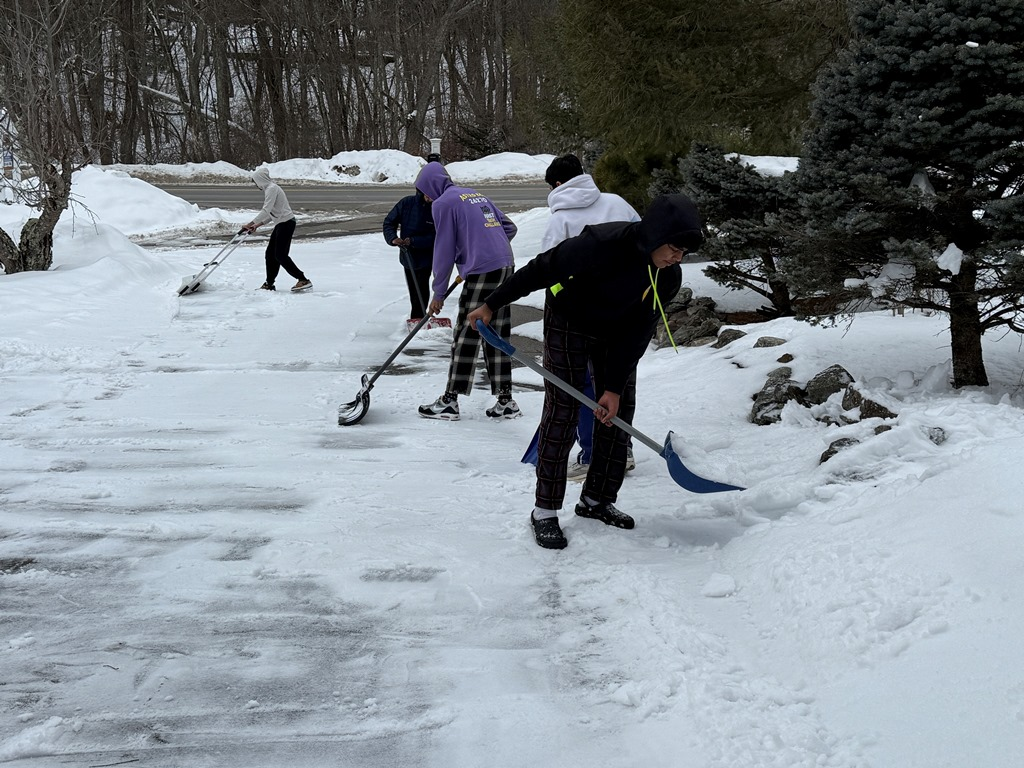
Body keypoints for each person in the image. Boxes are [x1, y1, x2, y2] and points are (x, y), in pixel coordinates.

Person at [467, 194, 703, 549]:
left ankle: (596, 500)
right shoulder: (600, 244)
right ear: (655, 235)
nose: (677, 258)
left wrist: (612, 387)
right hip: (569, 320)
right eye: (674, 248)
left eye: (684, 253)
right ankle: (544, 510)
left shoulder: (666, 277)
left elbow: (638, 333)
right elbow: (540, 269)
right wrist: (491, 304)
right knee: (563, 409)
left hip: (617, 332)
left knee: (617, 410)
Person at [523, 153, 641, 481]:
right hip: (625, 307)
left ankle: (591, 455)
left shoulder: (560, 220)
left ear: (558, 185)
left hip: (578, 315)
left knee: (583, 385)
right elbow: (643, 243)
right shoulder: (618, 202)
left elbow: (548, 268)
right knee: (617, 380)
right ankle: (621, 449)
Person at [414, 161, 520, 421]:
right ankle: (506, 401)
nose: (426, 198)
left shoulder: (443, 204)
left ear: (432, 186)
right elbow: (509, 228)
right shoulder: (475, 194)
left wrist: (438, 294)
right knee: (494, 332)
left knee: (466, 332)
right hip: (506, 266)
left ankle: (450, 401)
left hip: (484, 271)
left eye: (425, 191)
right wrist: (478, 253)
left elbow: (444, 251)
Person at [243, 167, 312, 293]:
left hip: (286, 223)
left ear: (260, 180)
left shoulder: (272, 188)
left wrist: (250, 223)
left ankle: (303, 279)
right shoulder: (270, 189)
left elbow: (266, 210)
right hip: (281, 223)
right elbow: (272, 214)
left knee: (280, 255)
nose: (255, 185)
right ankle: (269, 284)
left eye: (255, 182)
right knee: (270, 254)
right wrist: (256, 225)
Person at [382, 190, 436, 324]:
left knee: (422, 286)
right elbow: (389, 222)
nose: (429, 197)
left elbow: (438, 235)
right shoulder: (407, 203)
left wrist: (414, 241)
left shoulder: (438, 207)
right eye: (427, 193)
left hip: (427, 255)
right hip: (408, 255)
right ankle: (417, 318)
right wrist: (393, 238)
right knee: (414, 289)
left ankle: (421, 316)